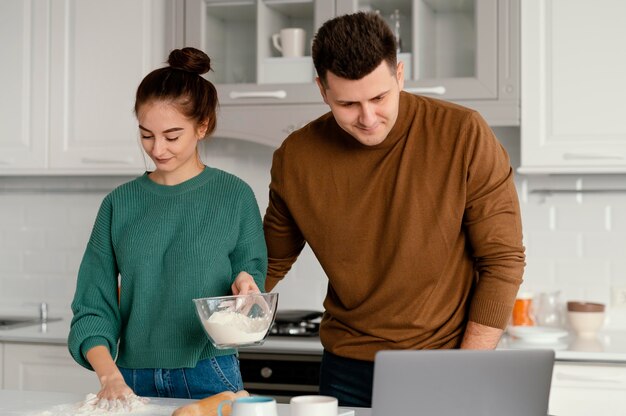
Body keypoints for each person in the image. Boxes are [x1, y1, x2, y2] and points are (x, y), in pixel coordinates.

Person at [262, 12, 525, 407]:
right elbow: (268, 261)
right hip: (343, 367)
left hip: (444, 362)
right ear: (322, 90)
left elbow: (502, 261)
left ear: (400, 75)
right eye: (348, 103)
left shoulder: (463, 134)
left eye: (379, 97)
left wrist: (467, 371)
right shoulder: (296, 157)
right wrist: (229, 306)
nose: (368, 119)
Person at [68, 47, 267, 404]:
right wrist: (109, 375)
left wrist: (247, 289)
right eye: (146, 135)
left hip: (210, 372)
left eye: (172, 136)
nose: (157, 149)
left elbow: (251, 286)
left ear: (202, 126)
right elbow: (92, 306)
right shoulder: (119, 204)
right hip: (129, 377)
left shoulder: (234, 196)